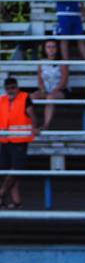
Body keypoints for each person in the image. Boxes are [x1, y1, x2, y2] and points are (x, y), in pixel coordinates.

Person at [0, 77, 36, 210]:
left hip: (20, 139)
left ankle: (1, 193)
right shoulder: (2, 100)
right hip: (5, 140)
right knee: (6, 171)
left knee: (15, 169)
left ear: (17, 87)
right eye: (8, 88)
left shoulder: (24, 97)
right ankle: (16, 201)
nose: (11, 90)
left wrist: (34, 128)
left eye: (13, 87)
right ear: (5, 89)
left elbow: (32, 115)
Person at [32, 39, 68, 130]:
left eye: (53, 47)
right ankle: (31, 124)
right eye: (48, 47)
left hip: (60, 90)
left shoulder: (62, 62)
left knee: (50, 97)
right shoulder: (42, 62)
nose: (51, 49)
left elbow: (64, 81)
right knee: (30, 97)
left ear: (57, 49)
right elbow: (40, 79)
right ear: (44, 49)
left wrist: (55, 90)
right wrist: (43, 89)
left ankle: (46, 125)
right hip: (45, 89)